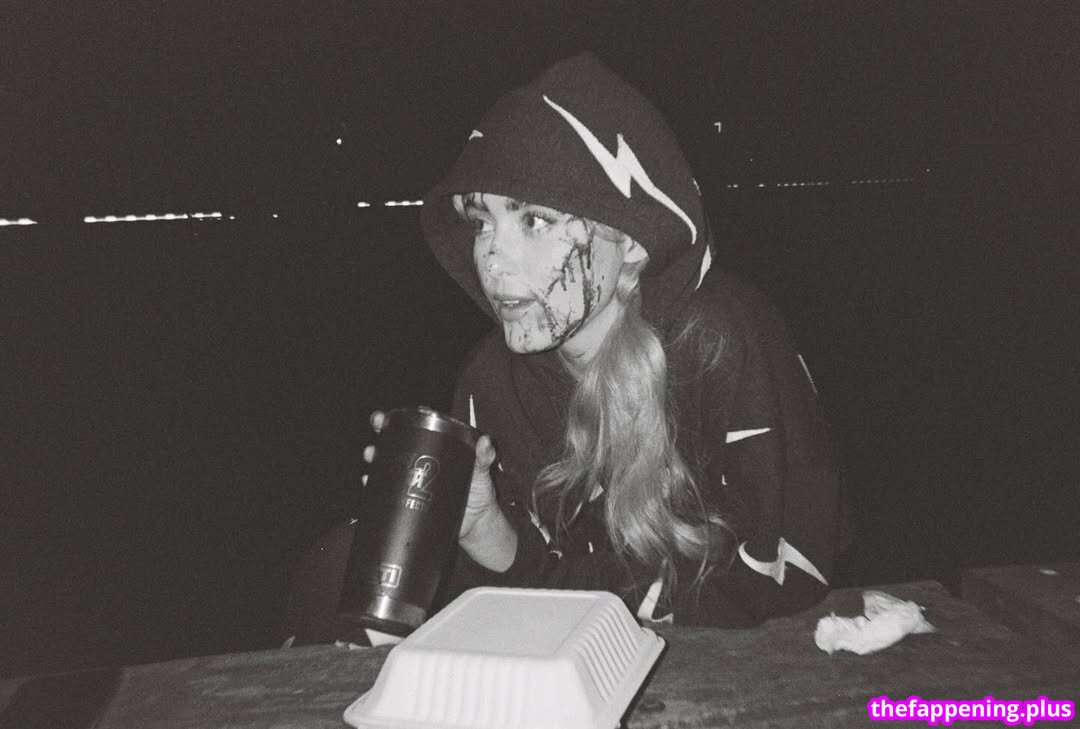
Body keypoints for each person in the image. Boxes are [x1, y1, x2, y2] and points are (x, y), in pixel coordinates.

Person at [286, 52, 848, 640]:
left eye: (533, 220)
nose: (491, 258)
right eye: (481, 223)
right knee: (336, 568)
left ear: (632, 241)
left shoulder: (719, 340)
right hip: (577, 654)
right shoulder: (492, 382)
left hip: (724, 657)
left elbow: (784, 571)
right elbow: (535, 585)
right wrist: (481, 524)